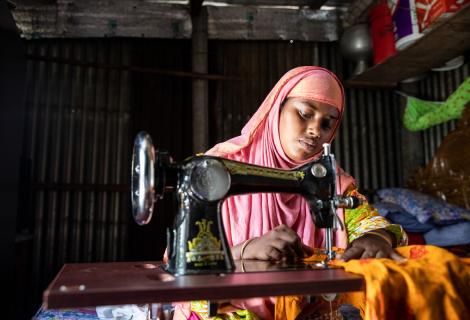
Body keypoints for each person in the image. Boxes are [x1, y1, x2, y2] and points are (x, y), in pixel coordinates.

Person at [175, 66, 407, 319]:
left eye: (328, 123)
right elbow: (182, 270)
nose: (316, 130)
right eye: (305, 113)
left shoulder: (332, 182)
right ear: (277, 109)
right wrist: (243, 251)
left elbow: (370, 224)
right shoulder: (212, 171)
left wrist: (378, 237)